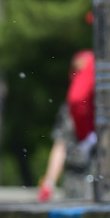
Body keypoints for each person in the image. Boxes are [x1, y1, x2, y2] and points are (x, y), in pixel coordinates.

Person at [38, 50, 96, 201]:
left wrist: (49, 182)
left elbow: (60, 146)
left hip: (77, 181)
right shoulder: (108, 102)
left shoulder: (71, 106)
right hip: (102, 181)